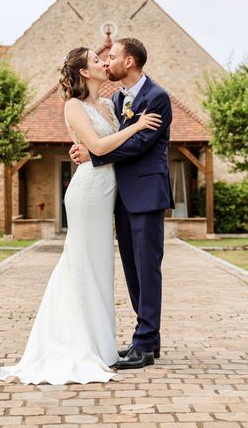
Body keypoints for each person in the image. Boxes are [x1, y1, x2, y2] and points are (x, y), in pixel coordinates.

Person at [0, 46, 161, 384]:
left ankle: (100, 345)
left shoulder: (110, 104)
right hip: (87, 193)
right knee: (80, 264)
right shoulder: (72, 106)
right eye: (96, 61)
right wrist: (137, 126)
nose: (103, 62)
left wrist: (126, 129)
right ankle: (74, 343)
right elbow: (97, 147)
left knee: (100, 268)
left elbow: (106, 147)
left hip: (108, 193)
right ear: (83, 71)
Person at [70, 38, 174, 369]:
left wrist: (94, 155)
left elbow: (140, 144)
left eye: (112, 57)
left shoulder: (156, 97)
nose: (107, 61)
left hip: (145, 195)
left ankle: (143, 344)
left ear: (128, 62)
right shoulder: (117, 99)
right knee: (132, 269)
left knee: (147, 268)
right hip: (119, 196)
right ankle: (149, 337)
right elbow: (103, 135)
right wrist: (87, 149)